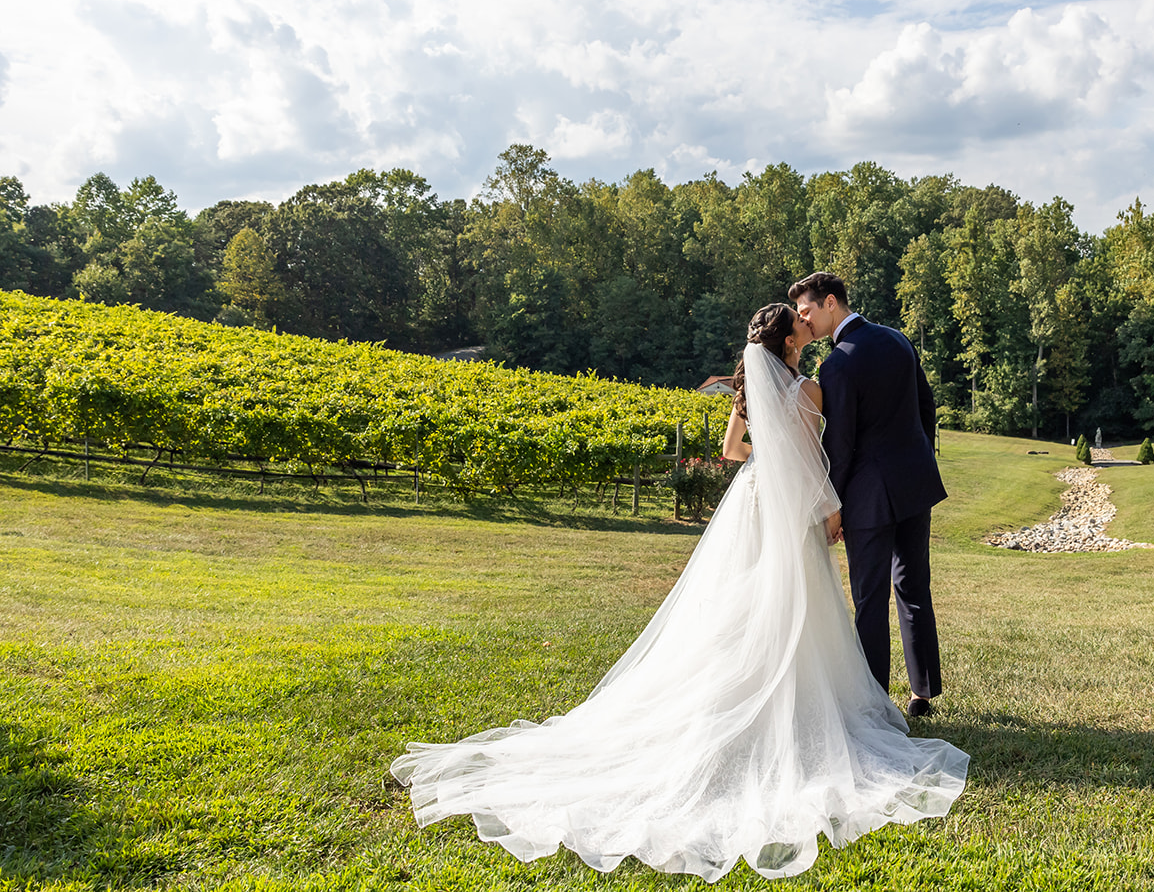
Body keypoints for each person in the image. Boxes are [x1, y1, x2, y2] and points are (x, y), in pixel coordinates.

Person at [389, 303, 968, 882]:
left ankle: (742, 687)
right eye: (800, 321)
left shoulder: (748, 396)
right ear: (793, 339)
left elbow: (732, 451)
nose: (806, 324)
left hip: (753, 498)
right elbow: (817, 458)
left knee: (744, 601)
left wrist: (767, 462)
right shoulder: (812, 390)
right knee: (794, 599)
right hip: (791, 506)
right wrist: (830, 507)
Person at [787, 272, 947, 718]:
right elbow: (926, 406)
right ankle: (923, 694)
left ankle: (876, 701)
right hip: (914, 483)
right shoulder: (897, 339)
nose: (805, 323)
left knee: (869, 598)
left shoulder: (836, 364)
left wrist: (831, 505)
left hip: (867, 497)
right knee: (914, 587)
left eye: (807, 312)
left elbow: (841, 442)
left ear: (830, 303)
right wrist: (918, 457)